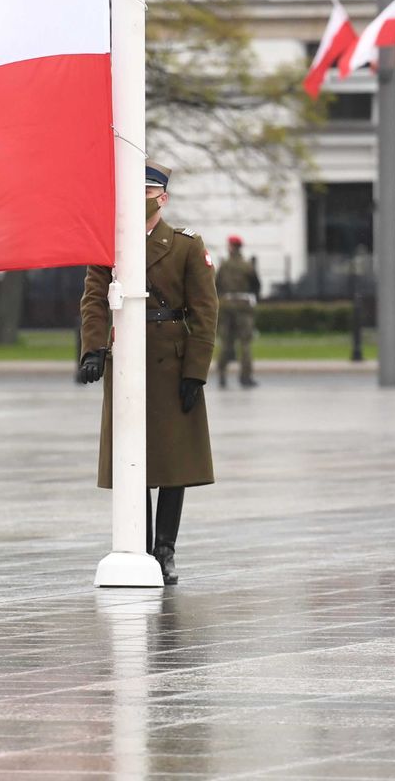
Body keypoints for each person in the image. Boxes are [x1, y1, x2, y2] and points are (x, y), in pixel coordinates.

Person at [78, 160, 218, 585]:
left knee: (174, 462)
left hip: (171, 362)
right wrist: (94, 349)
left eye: (147, 192)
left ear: (162, 198)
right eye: (133, 192)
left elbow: (205, 312)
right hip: (127, 361)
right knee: (131, 457)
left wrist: (196, 369)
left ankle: (165, 550)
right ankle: (138, 542)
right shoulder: (110, 242)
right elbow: (94, 299)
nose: (139, 199)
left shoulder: (185, 246)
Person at [214, 235, 260, 388]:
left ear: (230, 247)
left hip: (226, 304)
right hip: (243, 305)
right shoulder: (247, 266)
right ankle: (245, 377)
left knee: (226, 341)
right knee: (245, 343)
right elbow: (256, 285)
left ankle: (221, 375)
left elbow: (216, 285)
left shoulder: (224, 265)